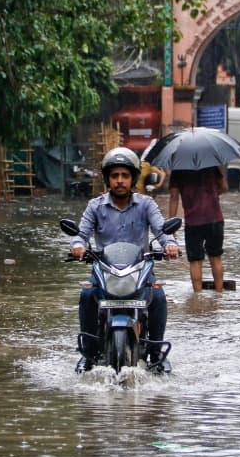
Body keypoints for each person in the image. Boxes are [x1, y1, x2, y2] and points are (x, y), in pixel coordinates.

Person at [69, 147, 179, 373]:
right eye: (115, 176)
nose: (120, 181)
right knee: (87, 294)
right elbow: (81, 235)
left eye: (125, 176)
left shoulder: (146, 204)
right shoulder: (95, 206)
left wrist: (170, 245)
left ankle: (156, 354)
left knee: (158, 296)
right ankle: (88, 353)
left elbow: (162, 230)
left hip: (139, 270)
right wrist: (78, 247)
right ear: (108, 179)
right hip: (104, 269)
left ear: (133, 178)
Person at [168, 167, 228, 293]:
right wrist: (211, 195)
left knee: (195, 261)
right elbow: (224, 187)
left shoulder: (178, 169)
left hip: (193, 222)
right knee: (216, 258)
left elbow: (174, 198)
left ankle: (197, 297)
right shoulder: (211, 166)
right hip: (215, 219)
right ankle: (219, 295)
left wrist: (171, 224)